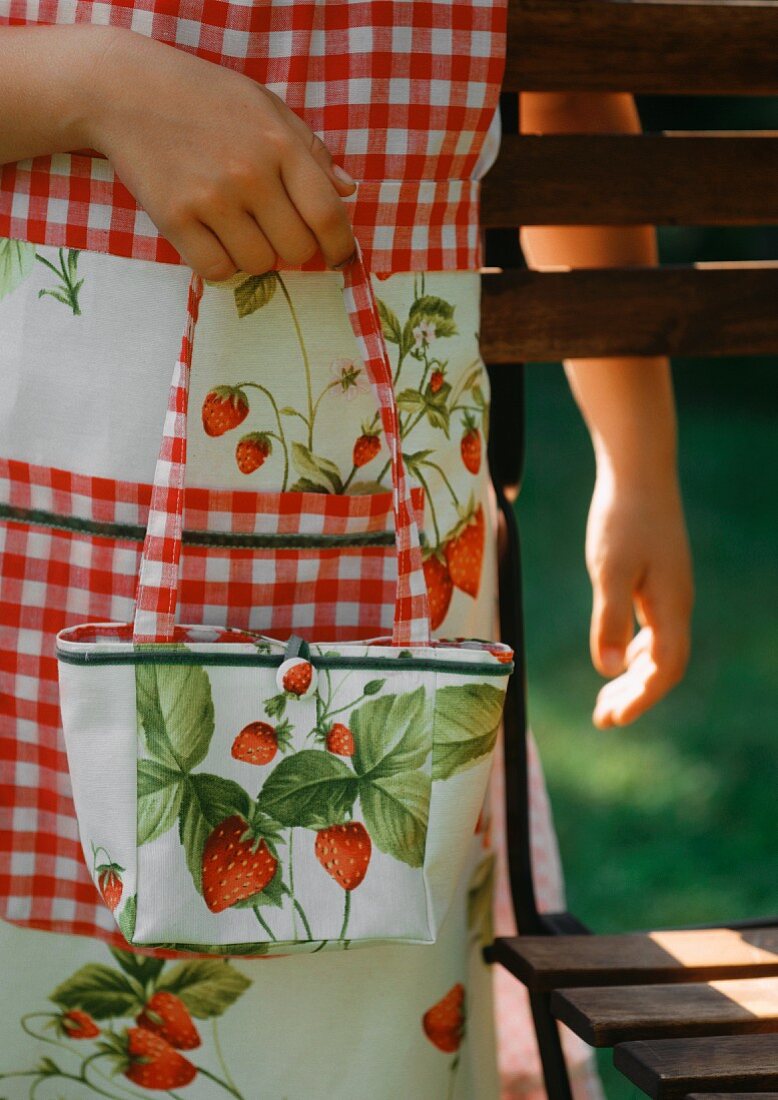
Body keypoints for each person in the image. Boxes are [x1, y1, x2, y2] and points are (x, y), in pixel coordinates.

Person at [0, 11, 693, 1099]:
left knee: (362, 1031)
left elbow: (568, 109)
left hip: (387, 555)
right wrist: (91, 84)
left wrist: (636, 461)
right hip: (29, 506)